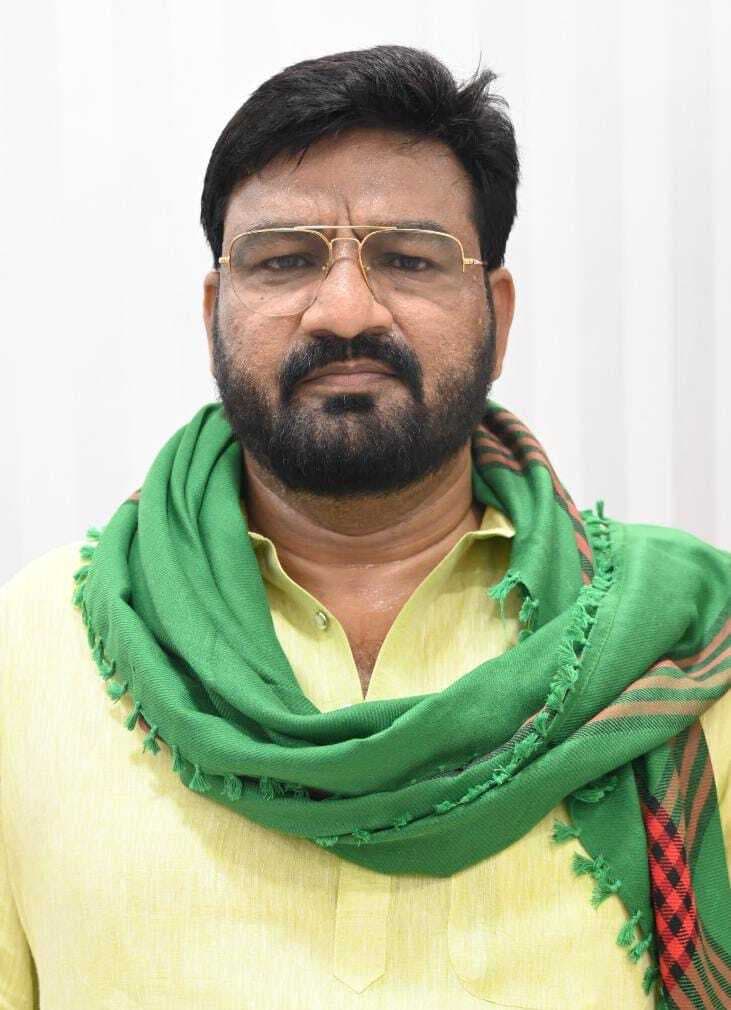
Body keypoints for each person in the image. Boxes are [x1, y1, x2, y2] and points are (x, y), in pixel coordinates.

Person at [1, 44, 728, 1010]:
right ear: (215, 314)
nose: (343, 311)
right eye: (284, 260)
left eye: (409, 259)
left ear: (496, 316)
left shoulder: (674, 650)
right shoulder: (34, 648)